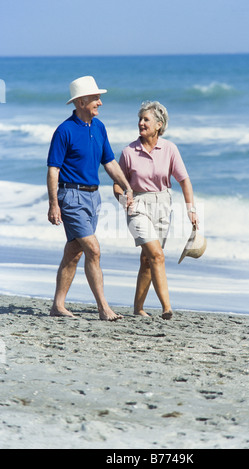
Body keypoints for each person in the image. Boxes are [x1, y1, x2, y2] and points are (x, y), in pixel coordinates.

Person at [47, 76, 133, 320]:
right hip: (71, 196)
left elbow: (109, 162)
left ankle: (57, 306)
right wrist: (54, 204)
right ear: (82, 101)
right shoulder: (65, 130)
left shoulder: (99, 127)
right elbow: (53, 169)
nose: (100, 102)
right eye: (96, 98)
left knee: (74, 252)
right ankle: (104, 308)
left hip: (93, 198)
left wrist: (126, 186)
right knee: (93, 250)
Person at [113, 101, 198, 319]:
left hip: (163, 205)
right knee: (157, 255)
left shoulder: (170, 149)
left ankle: (138, 308)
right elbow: (116, 184)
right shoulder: (129, 152)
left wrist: (191, 210)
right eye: (140, 119)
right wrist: (124, 200)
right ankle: (167, 308)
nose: (141, 123)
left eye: (146, 119)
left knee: (147, 259)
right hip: (138, 205)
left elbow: (184, 181)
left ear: (159, 125)